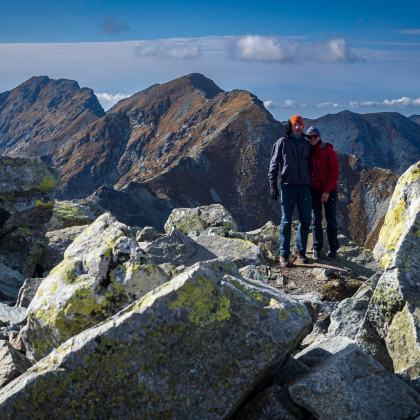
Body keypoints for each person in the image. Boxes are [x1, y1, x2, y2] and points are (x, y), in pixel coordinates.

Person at [269, 115, 312, 267]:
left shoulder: (307, 145)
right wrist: (273, 185)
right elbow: (274, 164)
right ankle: (284, 255)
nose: (298, 127)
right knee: (286, 222)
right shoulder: (282, 143)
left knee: (306, 220)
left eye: (300, 125)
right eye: (295, 124)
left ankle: (300, 252)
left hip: (305, 187)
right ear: (290, 126)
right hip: (288, 186)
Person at [306, 126, 340, 261]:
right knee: (316, 220)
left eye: (315, 136)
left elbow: (334, 172)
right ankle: (317, 248)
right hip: (315, 190)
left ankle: (333, 250)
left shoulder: (329, 151)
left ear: (319, 137)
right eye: (310, 137)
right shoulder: (308, 152)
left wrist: (326, 191)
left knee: (331, 220)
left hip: (329, 191)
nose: (313, 139)